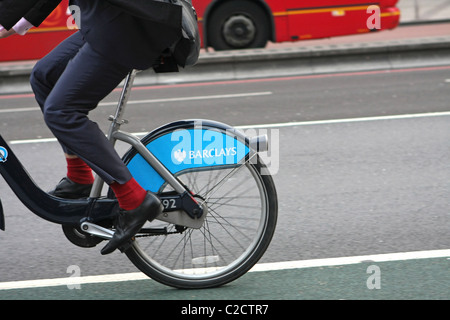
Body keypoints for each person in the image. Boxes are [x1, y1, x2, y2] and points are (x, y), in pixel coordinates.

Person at [0, 0, 184, 255]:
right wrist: (15, 22)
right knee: (44, 76)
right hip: (107, 18)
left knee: (61, 111)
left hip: (126, 24)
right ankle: (79, 177)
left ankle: (134, 199)